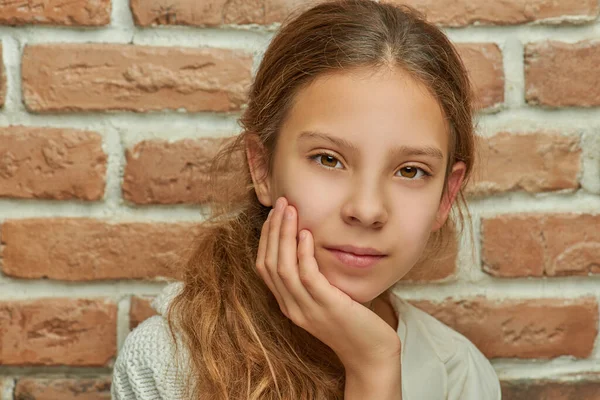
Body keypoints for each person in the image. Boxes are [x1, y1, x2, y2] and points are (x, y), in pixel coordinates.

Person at [111, 1, 502, 399]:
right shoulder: (167, 361)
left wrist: (373, 365)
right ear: (262, 168)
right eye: (328, 159)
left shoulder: (461, 375)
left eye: (410, 170)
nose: (367, 210)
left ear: (445, 195)